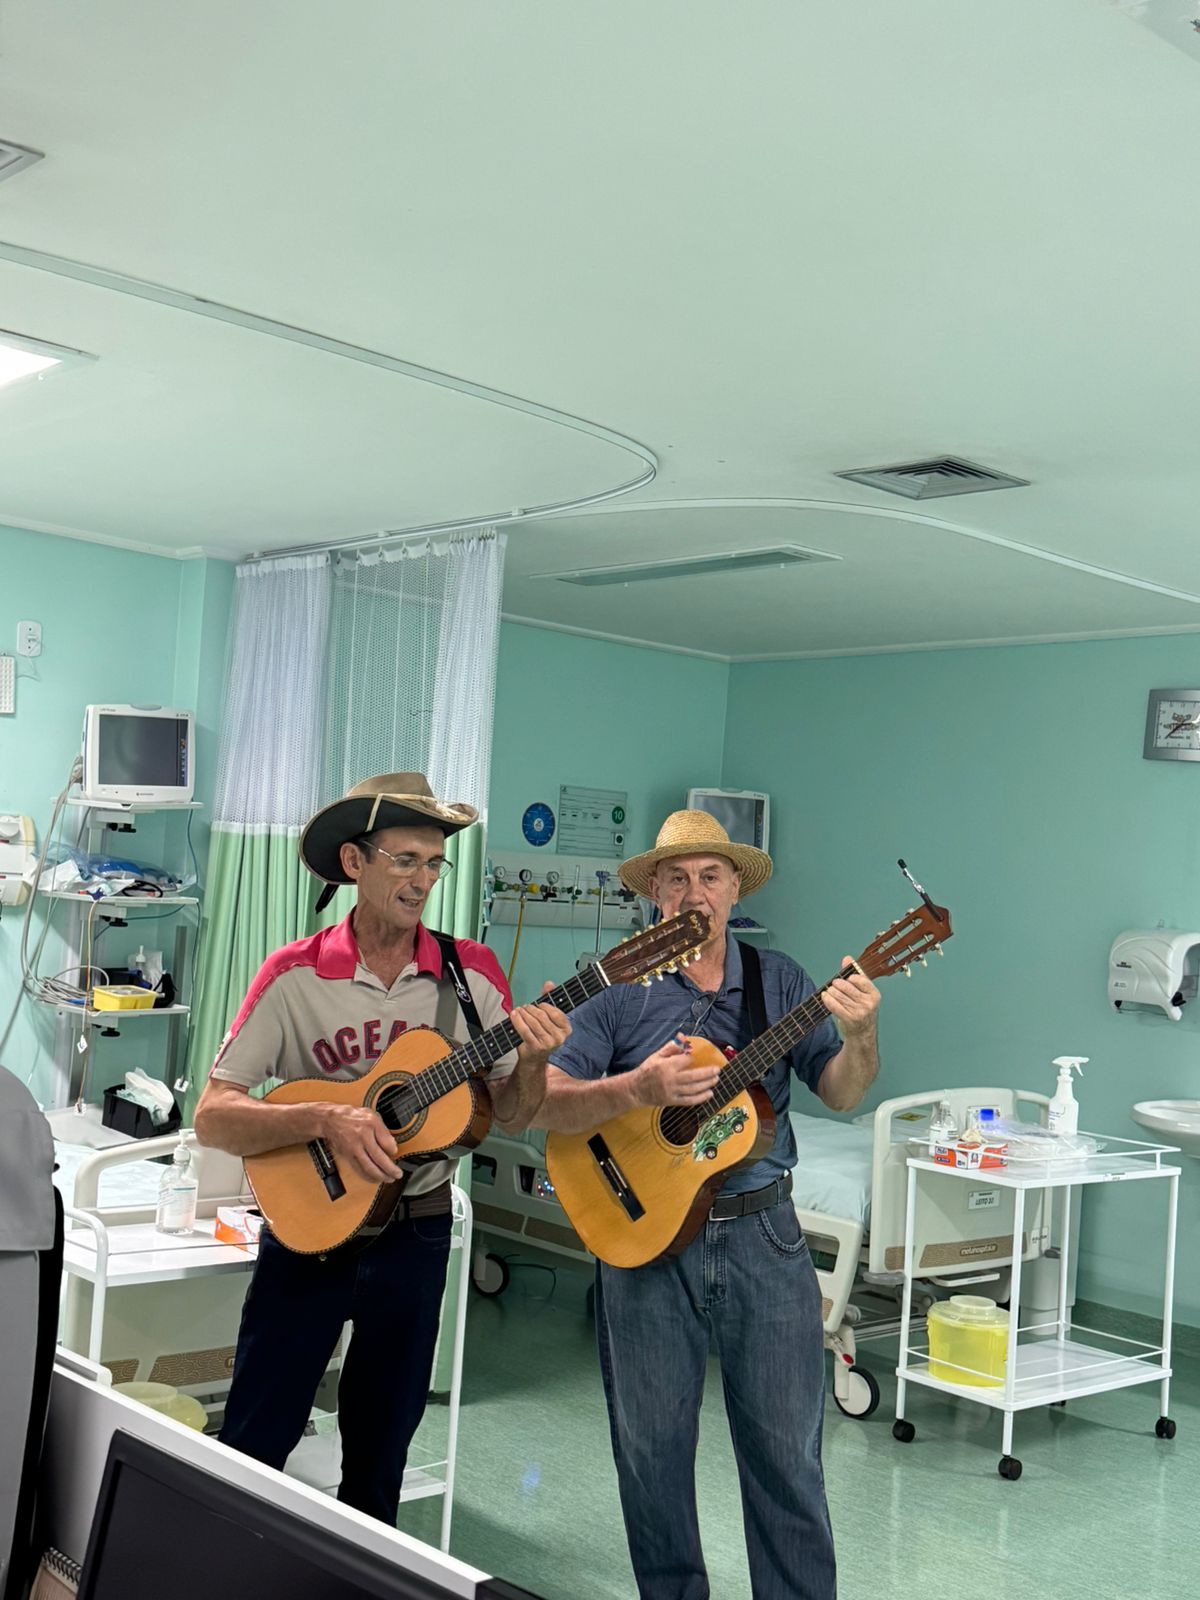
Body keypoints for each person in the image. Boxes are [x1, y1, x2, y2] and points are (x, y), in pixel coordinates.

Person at [194, 773, 569, 1524]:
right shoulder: (295, 975)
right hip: (309, 1232)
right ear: (354, 862)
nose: (422, 881)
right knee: (256, 1434)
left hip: (416, 1233)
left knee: (381, 1450)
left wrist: (532, 1060)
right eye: (404, 861)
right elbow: (214, 1116)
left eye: (434, 864)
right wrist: (325, 1119)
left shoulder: (469, 973)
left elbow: (515, 1113)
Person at [532, 809, 881, 1600]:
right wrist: (637, 1088)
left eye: (711, 876)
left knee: (788, 1455)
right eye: (677, 878)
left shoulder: (780, 982)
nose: (695, 893)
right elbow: (546, 1100)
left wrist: (861, 1036)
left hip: (765, 1236)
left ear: (734, 891)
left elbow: (841, 1091)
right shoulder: (616, 987)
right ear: (655, 892)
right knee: (651, 1453)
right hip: (646, 1244)